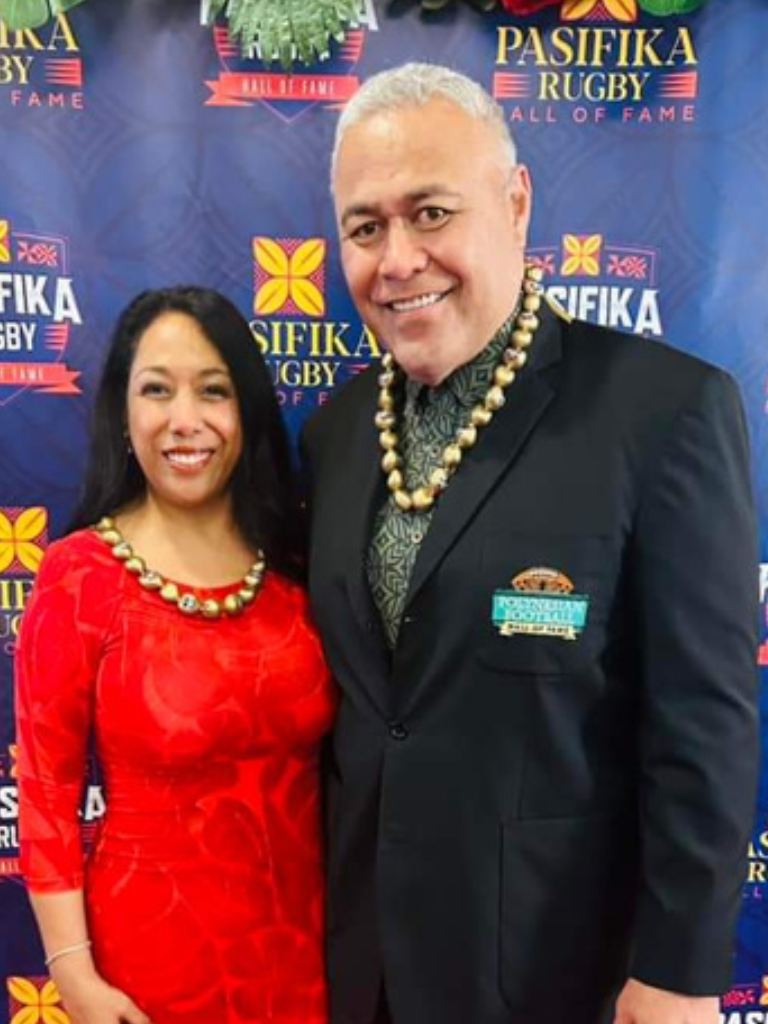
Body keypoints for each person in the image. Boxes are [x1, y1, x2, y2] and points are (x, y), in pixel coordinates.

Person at [300, 63, 759, 1024]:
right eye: (365, 227)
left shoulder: (664, 412)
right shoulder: (336, 432)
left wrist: (678, 974)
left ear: (515, 204)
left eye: (431, 213)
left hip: (559, 972)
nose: (397, 260)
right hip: (366, 966)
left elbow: (704, 725)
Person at [15, 286, 336, 1024]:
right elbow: (46, 794)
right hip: (149, 971)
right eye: (156, 389)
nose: (184, 420)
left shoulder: (300, 561)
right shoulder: (78, 577)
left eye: (213, 391)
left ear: (247, 411)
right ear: (123, 415)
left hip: (311, 960)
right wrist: (76, 979)